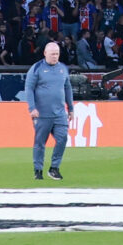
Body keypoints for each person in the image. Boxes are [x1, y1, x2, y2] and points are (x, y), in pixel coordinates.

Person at [23, 39, 74, 181]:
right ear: (45, 53)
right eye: (52, 54)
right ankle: (38, 169)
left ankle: (54, 168)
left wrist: (71, 108)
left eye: (57, 54)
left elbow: (67, 88)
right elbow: (29, 88)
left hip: (60, 113)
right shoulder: (36, 68)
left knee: (63, 139)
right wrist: (32, 108)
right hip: (42, 114)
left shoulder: (63, 68)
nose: (55, 56)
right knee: (40, 142)